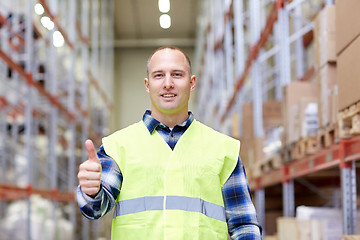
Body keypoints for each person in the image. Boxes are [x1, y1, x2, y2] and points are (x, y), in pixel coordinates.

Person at [77, 46, 262, 239]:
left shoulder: (224, 150)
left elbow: (244, 225)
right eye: (159, 75)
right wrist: (92, 191)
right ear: (147, 85)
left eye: (177, 74)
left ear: (192, 83)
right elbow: (95, 209)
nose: (167, 83)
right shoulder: (118, 147)